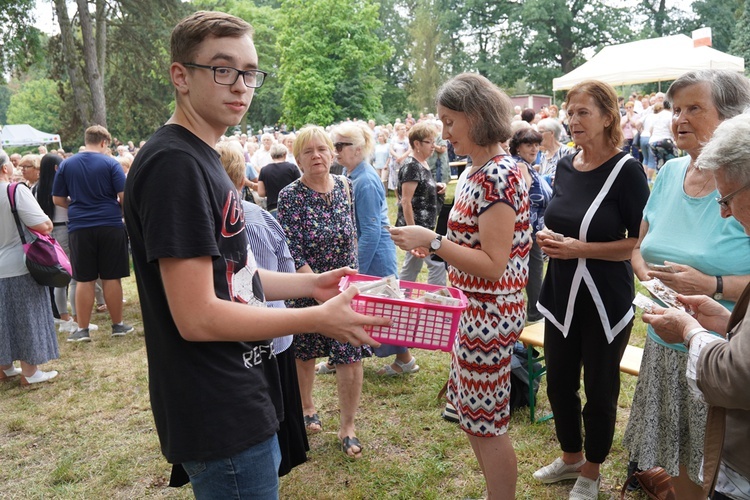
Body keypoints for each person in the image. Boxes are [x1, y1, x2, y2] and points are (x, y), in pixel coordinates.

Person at [123, 12, 386, 498]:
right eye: (223, 70)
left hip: (240, 387)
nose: (241, 85)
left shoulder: (202, 155)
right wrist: (317, 319)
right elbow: (197, 316)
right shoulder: (174, 165)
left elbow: (234, 277)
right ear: (180, 76)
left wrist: (311, 285)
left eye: (250, 72)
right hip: (217, 404)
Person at [390, 73, 530, 500]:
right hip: (472, 308)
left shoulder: (497, 176)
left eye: (450, 122)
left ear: (477, 116)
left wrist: (431, 240)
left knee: (486, 422)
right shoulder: (476, 170)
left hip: (490, 312)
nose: (444, 133)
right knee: (472, 415)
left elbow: (493, 264)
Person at [622, 69, 750, 500]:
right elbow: (640, 245)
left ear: (732, 118)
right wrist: (650, 280)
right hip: (667, 345)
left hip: (725, 355)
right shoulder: (670, 172)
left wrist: (712, 283)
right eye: (675, 109)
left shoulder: (743, 188)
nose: (680, 119)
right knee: (675, 457)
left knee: (712, 470)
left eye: (695, 108)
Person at [533, 80, 650, 500]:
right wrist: (549, 238)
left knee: (600, 387)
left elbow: (640, 242)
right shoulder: (565, 163)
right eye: (570, 111)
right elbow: (560, 218)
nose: (573, 119)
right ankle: (570, 457)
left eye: (584, 112)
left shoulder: (627, 170)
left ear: (607, 117)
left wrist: (582, 248)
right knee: (560, 382)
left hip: (605, 298)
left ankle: (593, 469)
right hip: (561, 294)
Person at [277, 125, 373, 459]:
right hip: (306, 287)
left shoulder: (346, 186)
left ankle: (348, 426)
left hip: (345, 291)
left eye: (322, 149)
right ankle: (306, 406)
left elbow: (353, 238)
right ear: (298, 158)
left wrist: (350, 287)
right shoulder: (290, 195)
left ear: (332, 153)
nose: (316, 156)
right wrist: (318, 290)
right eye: (308, 151)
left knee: (350, 355)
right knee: (305, 353)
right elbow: (292, 250)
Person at [216, 139, 309, 478]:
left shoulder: (222, 223)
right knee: (277, 409)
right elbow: (284, 267)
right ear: (242, 179)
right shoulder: (260, 219)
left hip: (245, 341)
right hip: (271, 334)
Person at [331, 121, 419, 376]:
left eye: (340, 145)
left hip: (375, 251)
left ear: (357, 149)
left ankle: (405, 360)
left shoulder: (365, 180)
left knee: (385, 307)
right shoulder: (354, 175)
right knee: (371, 306)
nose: (335, 151)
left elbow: (370, 230)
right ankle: (343, 356)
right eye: (334, 145)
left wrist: (356, 268)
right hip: (372, 248)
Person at [52, 125, 134, 342]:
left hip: (80, 227)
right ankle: (118, 325)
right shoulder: (111, 163)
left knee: (84, 279)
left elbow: (57, 199)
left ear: (86, 139)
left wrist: (77, 206)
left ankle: (83, 330)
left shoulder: (67, 164)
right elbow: (124, 195)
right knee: (111, 276)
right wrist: (119, 212)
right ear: (104, 143)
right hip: (110, 224)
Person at [0, 152, 59, 386]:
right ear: (5, 168)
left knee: (3, 319)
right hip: (20, 263)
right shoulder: (15, 191)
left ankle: (4, 368)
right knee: (27, 317)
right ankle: (30, 371)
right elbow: (44, 225)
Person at [509, 128, 551, 325]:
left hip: (534, 230)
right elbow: (522, 198)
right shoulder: (521, 166)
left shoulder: (529, 166)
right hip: (527, 231)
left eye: (536, 144)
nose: (534, 148)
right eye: (528, 144)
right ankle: (535, 315)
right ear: (518, 147)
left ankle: (535, 312)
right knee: (533, 273)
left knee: (535, 271)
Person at [396, 121, 447, 286]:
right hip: (418, 228)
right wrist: (413, 232)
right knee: (437, 264)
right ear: (416, 144)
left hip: (423, 227)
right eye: (429, 142)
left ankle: (400, 301)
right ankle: (436, 302)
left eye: (434, 142)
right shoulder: (412, 166)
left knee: (411, 268)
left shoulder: (422, 164)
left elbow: (421, 189)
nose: (433, 146)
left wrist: (437, 187)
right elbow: (405, 200)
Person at [35, 153, 75, 327]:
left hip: (48, 233)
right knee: (71, 275)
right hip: (65, 229)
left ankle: (61, 314)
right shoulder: (60, 186)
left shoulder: (36, 188)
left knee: (58, 273)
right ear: (56, 168)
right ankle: (69, 317)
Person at [257, 143, 300, 217]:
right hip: (290, 206)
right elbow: (299, 188)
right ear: (285, 154)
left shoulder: (264, 170)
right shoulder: (292, 168)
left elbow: (261, 193)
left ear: (271, 155)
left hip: (273, 207)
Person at [536, 117, 576, 186]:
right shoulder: (544, 155)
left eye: (540, 132)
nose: (537, 135)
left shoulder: (567, 152)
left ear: (551, 133)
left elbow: (574, 176)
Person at [387, 123, 410, 192]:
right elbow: (391, 149)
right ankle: (397, 199)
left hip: (404, 161)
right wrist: (397, 157)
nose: (404, 131)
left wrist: (402, 157)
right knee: (395, 179)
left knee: (404, 178)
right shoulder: (393, 139)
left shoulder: (407, 140)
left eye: (405, 129)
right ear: (398, 131)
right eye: (402, 129)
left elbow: (409, 150)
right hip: (395, 161)